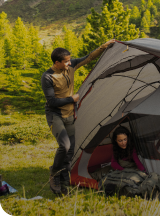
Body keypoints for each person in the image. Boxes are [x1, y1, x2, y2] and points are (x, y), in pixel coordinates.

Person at [41, 39, 115, 195]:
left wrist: (104, 45)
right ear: (57, 62)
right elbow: (52, 102)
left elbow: (88, 57)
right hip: (56, 115)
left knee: (70, 150)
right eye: (66, 62)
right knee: (65, 146)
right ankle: (54, 174)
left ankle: (64, 178)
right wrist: (71, 99)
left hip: (70, 115)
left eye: (69, 60)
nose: (69, 63)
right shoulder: (48, 77)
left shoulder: (71, 66)